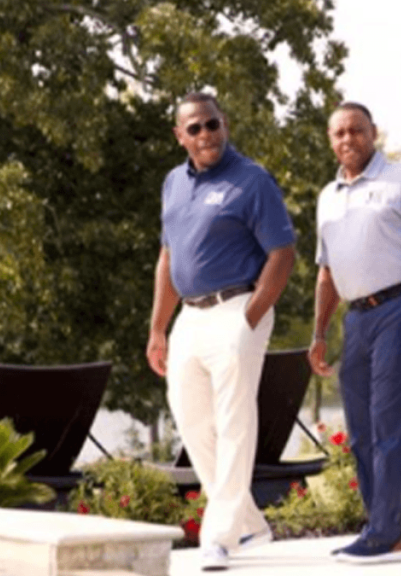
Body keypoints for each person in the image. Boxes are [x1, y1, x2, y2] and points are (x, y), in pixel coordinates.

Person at [146, 92, 296, 571]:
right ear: (180, 135)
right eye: (194, 128)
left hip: (238, 307)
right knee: (192, 421)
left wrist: (249, 318)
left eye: (211, 124)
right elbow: (168, 259)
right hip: (190, 315)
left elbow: (282, 254)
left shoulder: (252, 180)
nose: (205, 135)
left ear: (224, 123)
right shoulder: (173, 182)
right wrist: (157, 330)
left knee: (234, 421)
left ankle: (218, 536)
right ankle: (249, 523)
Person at [308, 102, 401, 564]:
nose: (347, 139)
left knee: (391, 427)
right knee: (360, 432)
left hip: (400, 308)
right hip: (355, 320)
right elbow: (326, 272)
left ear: (372, 132)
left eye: (356, 130)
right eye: (338, 133)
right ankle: (383, 529)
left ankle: (383, 531)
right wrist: (319, 333)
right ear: (330, 139)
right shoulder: (327, 196)